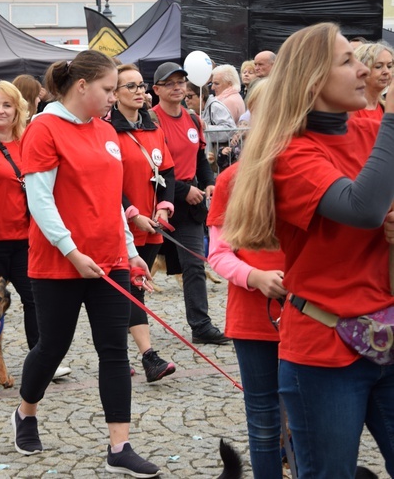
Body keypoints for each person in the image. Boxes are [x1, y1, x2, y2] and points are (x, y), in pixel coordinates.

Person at [223, 22, 394, 478]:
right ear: (314, 80)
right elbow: (363, 208)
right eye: (348, 61)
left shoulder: (370, 126)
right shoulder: (290, 153)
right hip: (326, 349)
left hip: (388, 329)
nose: (365, 70)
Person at [10, 50, 160, 478]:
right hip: (59, 262)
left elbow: (113, 202)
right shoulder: (44, 128)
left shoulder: (107, 131)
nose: (115, 97)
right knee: (52, 347)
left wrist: (130, 252)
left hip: (108, 261)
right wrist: (71, 251)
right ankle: (26, 413)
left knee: (113, 350)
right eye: (109, 89)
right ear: (81, 86)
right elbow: (39, 200)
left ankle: (120, 445)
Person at [0, 80, 71, 383]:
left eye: (7, 105)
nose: (1, 110)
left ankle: (43, 356)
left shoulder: (28, 140)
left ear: (17, 108)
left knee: (35, 299)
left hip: (25, 237)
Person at [206, 78, 285, 477]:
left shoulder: (319, 173)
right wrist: (255, 276)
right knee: (265, 418)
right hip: (255, 317)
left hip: (315, 316)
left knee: (307, 420)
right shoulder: (233, 179)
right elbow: (218, 254)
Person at [107, 64, 176, 383]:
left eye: (140, 86)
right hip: (122, 226)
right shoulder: (108, 131)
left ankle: (117, 354)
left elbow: (167, 172)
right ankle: (149, 357)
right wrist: (133, 213)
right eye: (130, 87)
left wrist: (163, 208)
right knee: (133, 290)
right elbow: (107, 182)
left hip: (153, 226)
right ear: (115, 93)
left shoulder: (154, 128)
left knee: (133, 291)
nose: (139, 92)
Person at [151, 62, 227, 345]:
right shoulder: (151, 120)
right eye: (169, 83)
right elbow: (151, 168)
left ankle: (201, 324)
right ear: (157, 89)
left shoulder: (193, 119)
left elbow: (199, 157)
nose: (177, 87)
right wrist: (184, 190)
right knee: (139, 266)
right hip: (156, 200)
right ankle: (127, 323)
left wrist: (208, 181)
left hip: (188, 204)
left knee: (194, 264)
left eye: (181, 82)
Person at [351, 41, 393, 122]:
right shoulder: (350, 110)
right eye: (378, 66)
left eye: (389, 66)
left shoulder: (386, 108)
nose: (386, 71)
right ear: (361, 70)